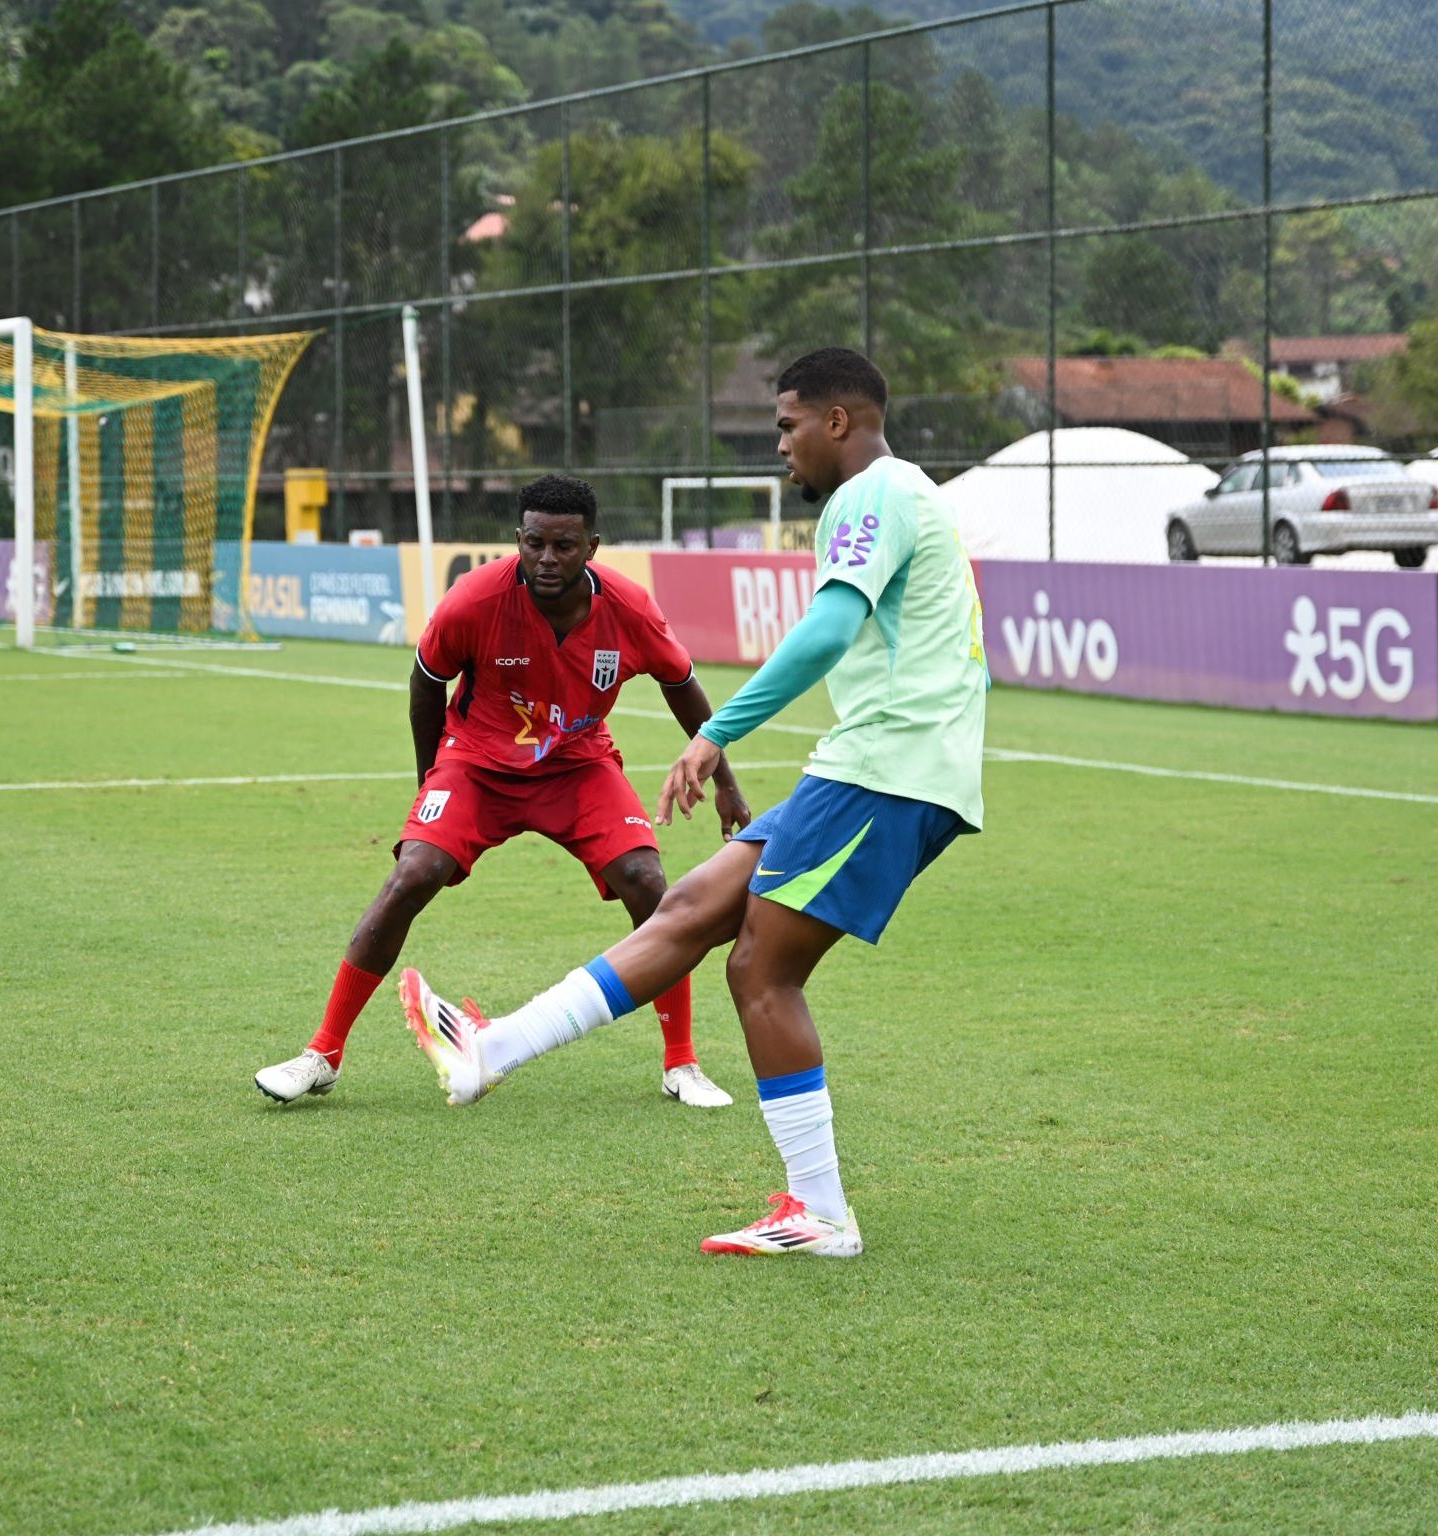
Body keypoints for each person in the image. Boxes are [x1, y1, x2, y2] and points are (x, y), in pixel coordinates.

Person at [400, 348, 986, 1259]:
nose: (780, 446)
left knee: (760, 970)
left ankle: (821, 1211)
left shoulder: (872, 493)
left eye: (787, 426)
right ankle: (492, 1052)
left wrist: (719, 734)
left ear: (838, 421)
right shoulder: (899, 494)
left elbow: (830, 628)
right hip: (867, 768)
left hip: (889, 774)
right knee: (691, 907)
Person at [254, 473, 753, 1110]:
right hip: (478, 765)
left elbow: (682, 685)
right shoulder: (473, 600)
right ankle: (321, 1054)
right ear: (518, 539)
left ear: (592, 547)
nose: (548, 558)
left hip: (578, 764)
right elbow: (424, 684)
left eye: (565, 546)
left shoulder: (629, 609)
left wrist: (726, 783)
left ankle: (681, 1062)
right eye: (536, 543)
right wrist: (428, 788)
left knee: (650, 884)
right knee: (413, 875)